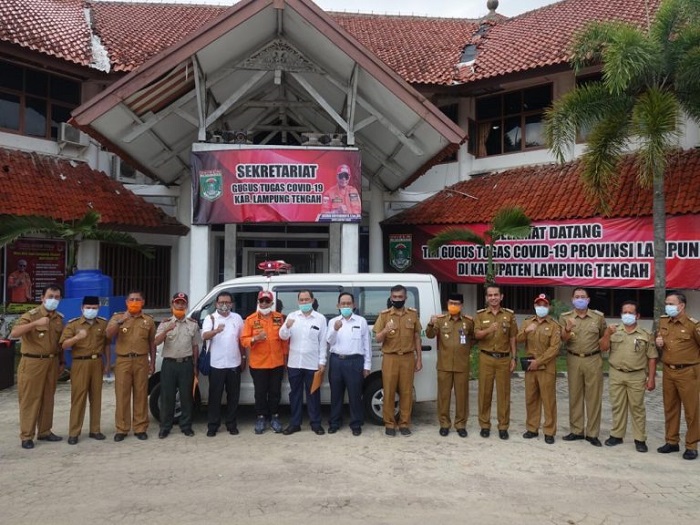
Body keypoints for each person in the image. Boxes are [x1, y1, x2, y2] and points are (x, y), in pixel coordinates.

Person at [599, 300, 657, 453]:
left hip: (636, 375)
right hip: (616, 374)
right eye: (624, 312)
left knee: (637, 408)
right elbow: (603, 348)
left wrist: (651, 378)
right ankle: (617, 435)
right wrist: (607, 334)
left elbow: (652, 357)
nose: (627, 315)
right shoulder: (614, 331)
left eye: (630, 313)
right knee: (617, 406)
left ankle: (640, 439)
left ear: (637, 316)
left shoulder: (645, 334)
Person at [11, 284, 64, 449]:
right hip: (32, 362)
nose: (53, 300)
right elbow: (14, 333)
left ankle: (45, 431)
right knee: (30, 399)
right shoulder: (32, 315)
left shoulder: (58, 318)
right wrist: (35, 324)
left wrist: (61, 362)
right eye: (50, 296)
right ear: (42, 298)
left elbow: (59, 343)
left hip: (52, 362)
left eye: (56, 297)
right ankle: (27, 435)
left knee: (48, 398)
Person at [106, 290, 156, 442]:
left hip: (141, 360)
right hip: (123, 361)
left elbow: (152, 343)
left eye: (137, 300)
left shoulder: (148, 320)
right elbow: (108, 335)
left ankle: (140, 427)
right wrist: (121, 321)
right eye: (132, 299)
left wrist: (152, 362)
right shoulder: (117, 317)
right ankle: (122, 428)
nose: (134, 302)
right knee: (122, 395)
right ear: (126, 302)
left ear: (143, 302)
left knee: (141, 395)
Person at [59, 295, 110, 445]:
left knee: (96, 397)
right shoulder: (74, 324)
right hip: (80, 363)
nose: (91, 310)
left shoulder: (103, 323)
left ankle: (95, 430)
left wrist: (107, 363)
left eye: (94, 308)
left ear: (98, 308)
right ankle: (74, 432)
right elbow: (64, 345)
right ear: (82, 308)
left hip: (97, 362)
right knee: (78, 398)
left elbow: (106, 344)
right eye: (88, 308)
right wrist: (77, 338)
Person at [655, 292, 700, 460]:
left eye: (671, 304)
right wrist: (658, 342)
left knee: (691, 410)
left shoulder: (693, 325)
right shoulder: (664, 321)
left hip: (688, 372)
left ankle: (691, 445)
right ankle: (672, 441)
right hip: (668, 370)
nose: (668, 306)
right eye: (667, 303)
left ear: (681, 306)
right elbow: (661, 339)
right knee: (670, 407)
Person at [560, 288, 607, 447]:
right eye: (577, 297)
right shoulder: (565, 317)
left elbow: (604, 338)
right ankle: (576, 430)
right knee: (575, 396)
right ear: (572, 299)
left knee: (593, 397)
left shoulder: (598, 317)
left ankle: (593, 433)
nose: (580, 299)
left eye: (583, 297)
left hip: (593, 359)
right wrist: (568, 328)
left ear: (588, 299)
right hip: (573, 359)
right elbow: (563, 339)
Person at [373, 284, 422, 436]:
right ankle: (389, 424)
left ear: (405, 298)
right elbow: (378, 338)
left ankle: (404, 423)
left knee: (406, 392)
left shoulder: (412, 315)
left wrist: (419, 359)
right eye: (394, 297)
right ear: (391, 297)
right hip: (390, 358)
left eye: (400, 297)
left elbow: (417, 337)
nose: (397, 299)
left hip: (408, 357)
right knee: (388, 391)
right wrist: (385, 330)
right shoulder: (384, 315)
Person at [279, 290, 328, 435]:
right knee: (295, 394)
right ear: (298, 301)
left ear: (312, 300)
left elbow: (323, 342)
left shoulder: (320, 319)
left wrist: (322, 361)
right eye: (301, 300)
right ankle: (295, 423)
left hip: (313, 364)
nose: (304, 302)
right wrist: (287, 326)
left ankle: (316, 423)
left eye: (307, 299)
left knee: (313, 394)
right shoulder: (292, 316)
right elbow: (282, 336)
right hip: (295, 364)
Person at [426, 293, 474, 438]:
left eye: (456, 303)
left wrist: (464, 350)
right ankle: (444, 424)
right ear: (447, 304)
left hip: (461, 365)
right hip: (444, 365)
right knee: (444, 396)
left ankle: (460, 425)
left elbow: (473, 338)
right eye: (451, 303)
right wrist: (430, 323)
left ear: (461, 305)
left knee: (462, 397)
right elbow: (429, 335)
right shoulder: (440, 321)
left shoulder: (468, 322)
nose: (453, 306)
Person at [240, 290, 288, 435]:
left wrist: (285, 358)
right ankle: (261, 417)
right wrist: (255, 339)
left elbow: (284, 340)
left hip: (277, 363)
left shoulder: (279, 318)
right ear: (258, 302)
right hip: (259, 364)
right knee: (260, 393)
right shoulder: (251, 319)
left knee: (275, 392)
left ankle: (274, 417)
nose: (264, 303)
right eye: (262, 301)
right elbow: (243, 340)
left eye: (267, 301)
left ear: (272, 303)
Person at [154, 292, 201, 439]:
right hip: (169, 364)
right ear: (172, 304)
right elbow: (156, 342)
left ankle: (186, 426)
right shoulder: (165, 323)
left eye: (183, 303)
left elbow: (195, 346)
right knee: (167, 396)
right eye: (177, 303)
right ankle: (165, 427)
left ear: (186, 305)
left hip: (186, 364)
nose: (180, 306)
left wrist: (195, 365)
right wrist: (166, 330)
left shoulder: (193, 324)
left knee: (187, 397)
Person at [474, 284, 517, 440]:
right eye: (490, 295)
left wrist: (514, 357)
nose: (493, 298)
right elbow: (477, 335)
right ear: (486, 298)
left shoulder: (509, 315)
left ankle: (503, 426)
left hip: (503, 359)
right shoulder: (480, 315)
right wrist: (489, 330)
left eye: (496, 295)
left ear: (501, 296)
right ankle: (484, 425)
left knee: (503, 394)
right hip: (486, 357)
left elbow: (513, 337)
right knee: (484, 393)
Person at [517, 294, 561, 444]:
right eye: (538, 304)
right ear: (535, 306)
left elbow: (554, 348)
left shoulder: (554, 325)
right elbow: (518, 339)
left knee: (548, 400)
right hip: (530, 366)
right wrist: (526, 332)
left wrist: (539, 361)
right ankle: (532, 428)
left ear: (549, 307)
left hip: (546, 367)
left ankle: (549, 431)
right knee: (531, 398)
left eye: (544, 305)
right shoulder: (527, 322)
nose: (541, 307)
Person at [326, 292, 371, 436]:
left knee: (355, 395)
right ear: (338, 306)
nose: (346, 306)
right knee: (336, 394)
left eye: (348, 303)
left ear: (354, 305)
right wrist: (335, 329)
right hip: (337, 361)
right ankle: (334, 422)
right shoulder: (333, 322)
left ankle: (356, 423)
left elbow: (366, 344)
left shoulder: (361, 321)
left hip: (355, 361)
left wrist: (367, 365)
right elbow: (329, 341)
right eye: (343, 303)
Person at [202, 291, 245, 437]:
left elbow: (241, 340)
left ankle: (231, 424)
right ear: (216, 304)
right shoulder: (210, 318)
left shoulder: (237, 318)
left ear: (231, 304)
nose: (224, 305)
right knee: (215, 397)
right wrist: (216, 331)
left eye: (227, 302)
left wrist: (243, 357)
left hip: (234, 363)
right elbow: (204, 335)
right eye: (221, 302)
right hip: (216, 364)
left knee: (233, 396)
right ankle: (213, 425)